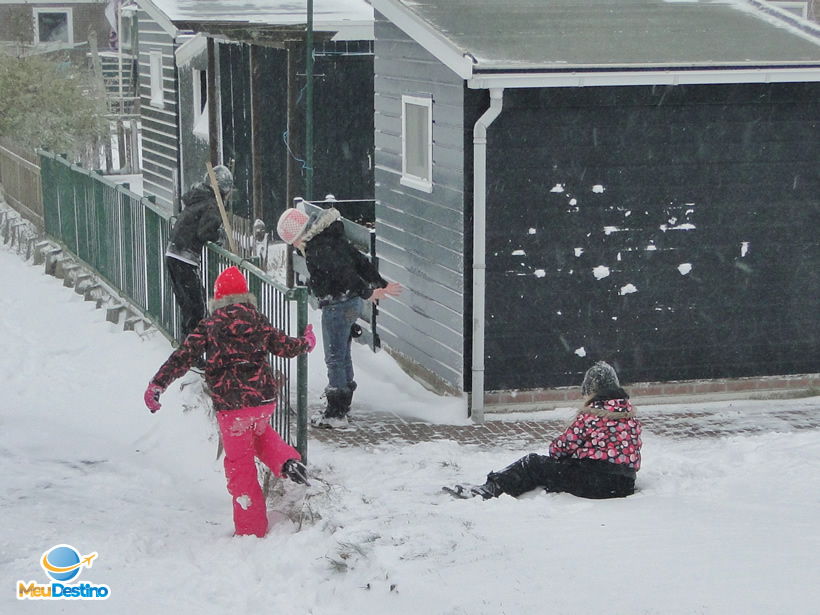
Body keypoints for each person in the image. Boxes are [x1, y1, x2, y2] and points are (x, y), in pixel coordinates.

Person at [143, 266, 317, 537]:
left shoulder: (210, 326)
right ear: (246, 296)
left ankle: (251, 530)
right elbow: (285, 346)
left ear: (217, 297)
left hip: (233, 406)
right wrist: (306, 341)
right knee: (259, 435)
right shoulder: (258, 320)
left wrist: (158, 384)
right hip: (263, 400)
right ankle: (287, 462)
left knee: (240, 466)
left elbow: (183, 356)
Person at [276, 206, 402, 428]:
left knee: (334, 357)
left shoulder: (317, 249)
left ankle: (336, 413)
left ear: (297, 236)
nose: (295, 247)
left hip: (337, 304)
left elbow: (345, 273)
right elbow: (358, 260)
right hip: (351, 303)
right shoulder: (331, 237)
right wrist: (378, 283)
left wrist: (369, 291)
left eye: (293, 242)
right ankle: (344, 402)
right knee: (343, 354)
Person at [446, 361, 642, 500]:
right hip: (624, 485)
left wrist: (562, 459)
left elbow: (560, 449)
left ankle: (491, 489)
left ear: (593, 389)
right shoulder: (629, 415)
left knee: (532, 463)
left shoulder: (594, 414)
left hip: (596, 484)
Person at [165, 165, 233, 344]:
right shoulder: (212, 204)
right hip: (184, 259)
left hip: (173, 253)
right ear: (224, 190)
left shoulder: (198, 197)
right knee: (197, 308)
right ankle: (192, 353)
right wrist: (219, 235)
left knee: (187, 306)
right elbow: (204, 232)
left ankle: (186, 347)